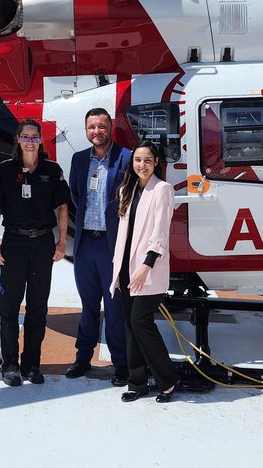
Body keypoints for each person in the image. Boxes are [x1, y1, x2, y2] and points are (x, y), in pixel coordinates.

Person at [0, 119, 71, 387]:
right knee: (9, 308)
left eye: (35, 137)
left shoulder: (52, 170)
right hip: (14, 243)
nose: (30, 141)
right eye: (26, 137)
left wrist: (60, 243)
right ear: (18, 140)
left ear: (40, 141)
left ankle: (31, 364)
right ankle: (10, 365)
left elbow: (62, 207)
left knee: (38, 308)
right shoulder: (5, 171)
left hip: (43, 243)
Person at [66, 108, 132, 386]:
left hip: (111, 246)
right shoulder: (79, 160)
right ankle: (83, 358)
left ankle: (121, 364)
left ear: (110, 127)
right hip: (85, 246)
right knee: (88, 306)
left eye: (101, 126)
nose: (97, 132)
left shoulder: (126, 157)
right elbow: (75, 196)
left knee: (115, 308)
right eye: (92, 127)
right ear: (86, 130)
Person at [110, 141, 179, 403]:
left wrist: (146, 266)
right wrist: (120, 268)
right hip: (126, 268)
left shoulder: (162, 189)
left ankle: (168, 380)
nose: (142, 165)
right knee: (131, 326)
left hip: (147, 269)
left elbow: (160, 232)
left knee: (142, 323)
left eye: (147, 160)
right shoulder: (128, 189)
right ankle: (137, 383)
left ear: (156, 162)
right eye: (138, 160)